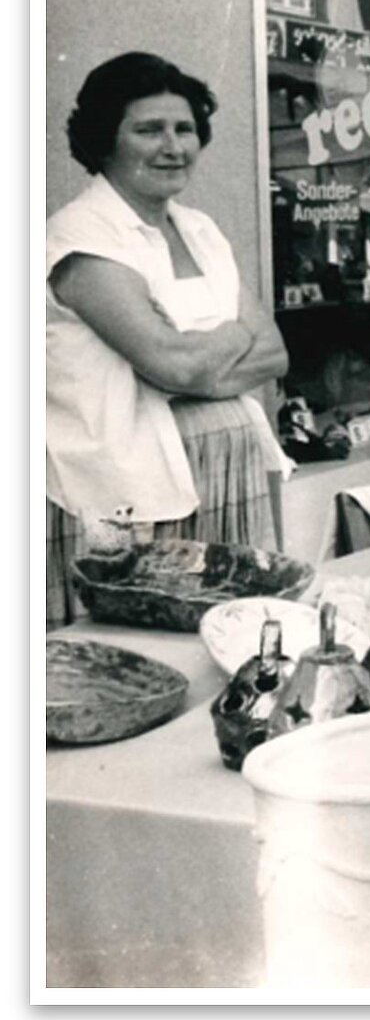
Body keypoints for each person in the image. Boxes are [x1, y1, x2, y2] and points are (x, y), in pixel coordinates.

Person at [46, 52, 292, 624]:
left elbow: (274, 352)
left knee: (234, 641)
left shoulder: (199, 229)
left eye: (185, 129)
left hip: (227, 476)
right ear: (104, 140)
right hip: (128, 493)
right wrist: (231, 336)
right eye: (148, 129)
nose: (173, 146)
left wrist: (189, 358)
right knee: (142, 652)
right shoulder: (79, 240)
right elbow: (176, 365)